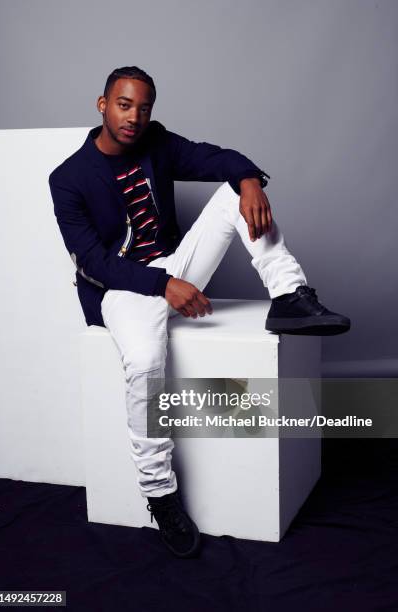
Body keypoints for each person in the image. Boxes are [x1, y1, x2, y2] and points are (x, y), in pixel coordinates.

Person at [49, 65, 350, 558]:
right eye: (124, 105)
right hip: (121, 289)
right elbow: (95, 263)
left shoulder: (157, 142)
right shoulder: (68, 179)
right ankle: (159, 492)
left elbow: (216, 157)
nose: (134, 117)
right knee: (146, 365)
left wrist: (249, 178)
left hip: (173, 263)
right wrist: (164, 285)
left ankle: (291, 296)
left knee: (235, 190)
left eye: (144, 108)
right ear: (102, 105)